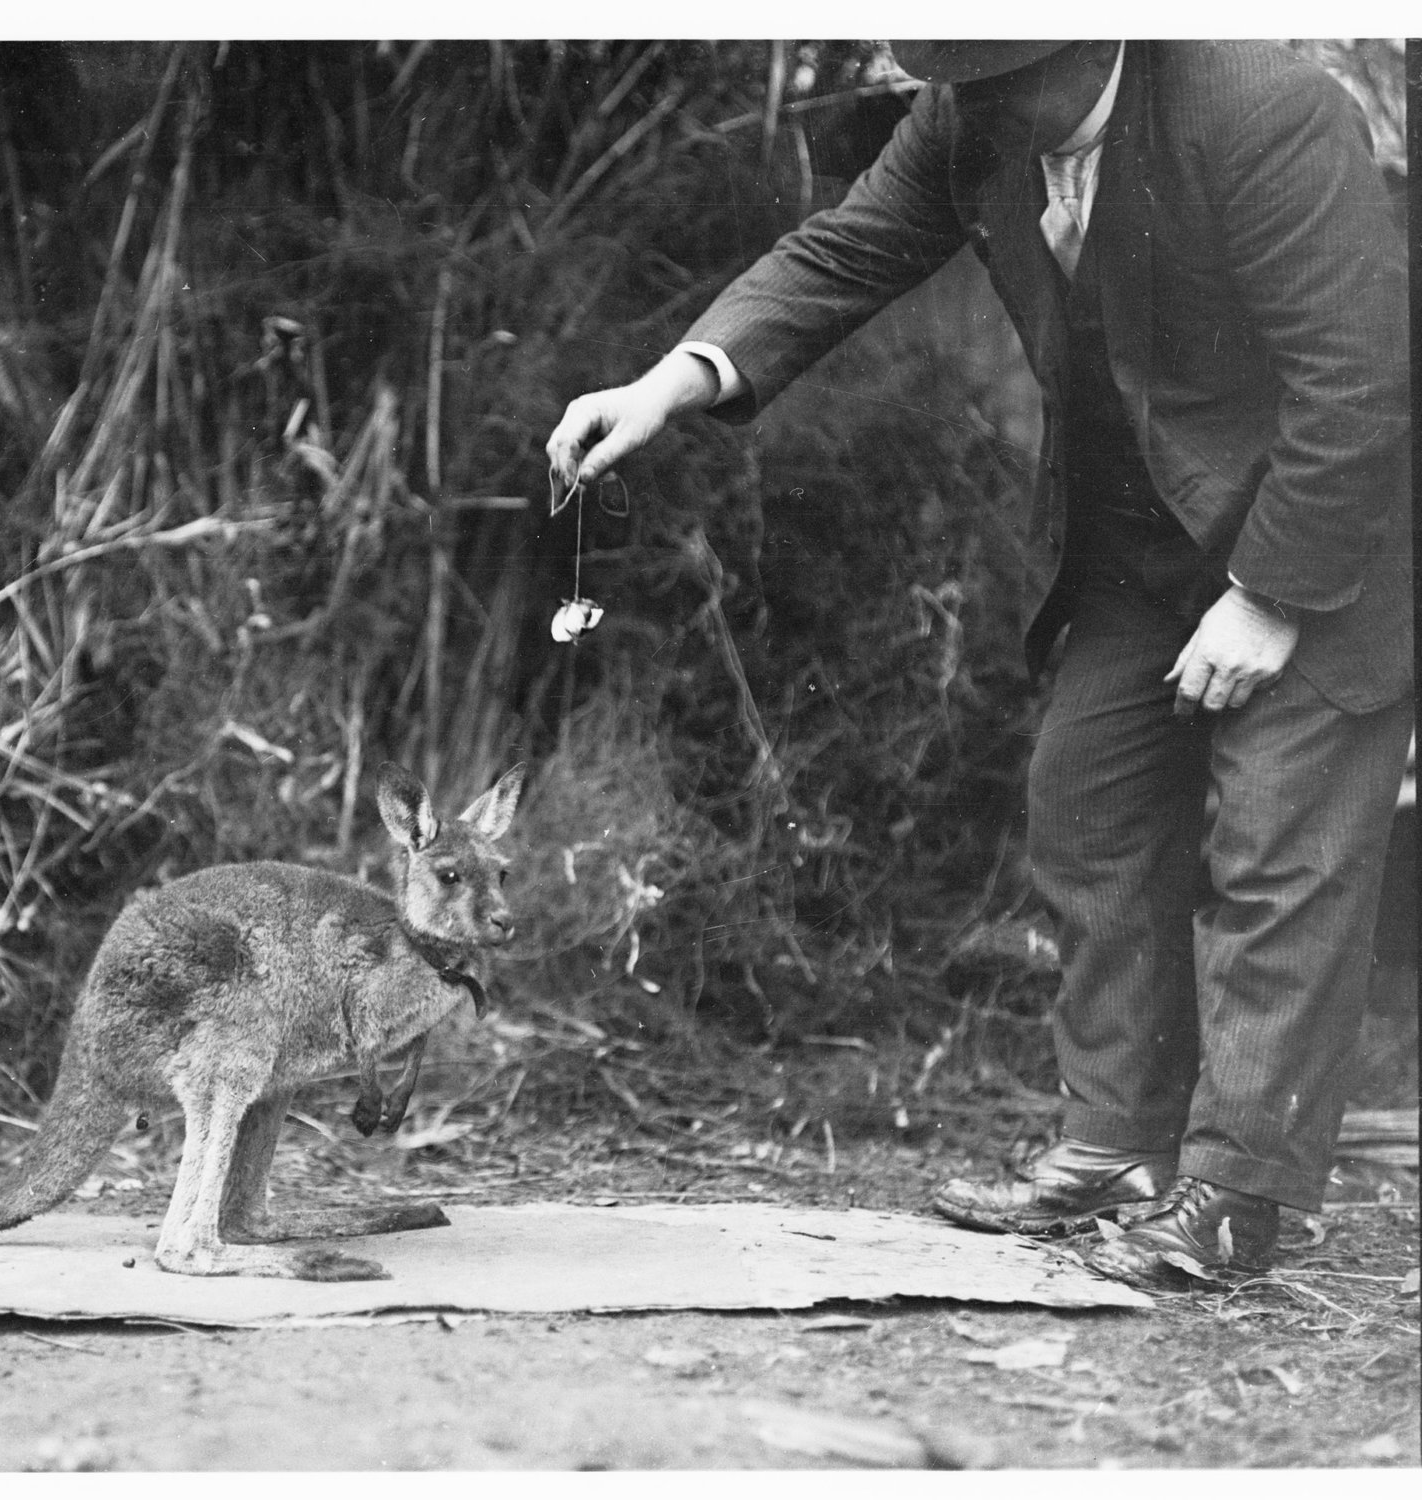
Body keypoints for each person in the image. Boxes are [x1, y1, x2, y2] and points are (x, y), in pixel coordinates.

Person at [546, 40, 1413, 1287]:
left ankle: (1229, 1201)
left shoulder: (1260, 111)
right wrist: (671, 382)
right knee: (1086, 811)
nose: (969, 108)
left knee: (1276, 860)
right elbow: (842, 249)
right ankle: (1114, 1147)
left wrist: (1268, 597)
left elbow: (1359, 379)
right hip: (1133, 550)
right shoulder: (972, 115)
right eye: (954, 82)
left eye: (999, 80)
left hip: (1323, 542)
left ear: (1091, 41)